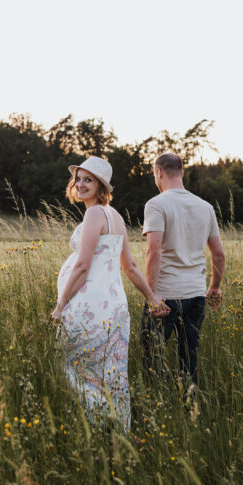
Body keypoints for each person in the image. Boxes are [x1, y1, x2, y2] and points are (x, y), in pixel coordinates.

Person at [51, 156, 168, 430]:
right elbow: (131, 266)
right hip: (114, 306)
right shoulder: (115, 216)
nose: (80, 184)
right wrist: (151, 298)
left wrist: (60, 305)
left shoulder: (94, 214)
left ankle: (92, 432)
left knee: (80, 371)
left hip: (90, 305)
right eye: (78, 178)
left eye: (88, 180)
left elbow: (82, 265)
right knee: (110, 372)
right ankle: (117, 430)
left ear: (101, 185)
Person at [141, 152, 226, 389]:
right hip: (197, 295)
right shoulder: (205, 207)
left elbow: (153, 251)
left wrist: (152, 295)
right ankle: (189, 410)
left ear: (158, 173)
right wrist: (215, 287)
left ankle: (156, 409)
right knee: (189, 360)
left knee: (152, 360)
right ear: (182, 172)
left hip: (165, 297)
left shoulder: (156, 204)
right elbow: (218, 253)